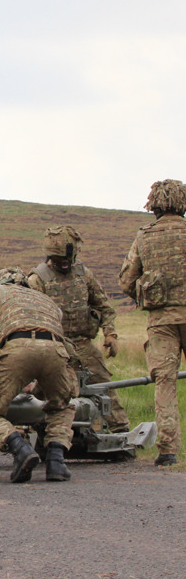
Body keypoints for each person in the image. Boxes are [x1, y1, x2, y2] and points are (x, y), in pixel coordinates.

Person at [0, 267, 76, 483]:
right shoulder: (45, 300)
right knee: (61, 407)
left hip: (17, 349)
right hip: (56, 351)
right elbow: (59, 347)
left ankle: (20, 448)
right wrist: (38, 387)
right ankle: (56, 461)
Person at [27, 226, 129, 433]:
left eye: (69, 259)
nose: (65, 263)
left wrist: (110, 334)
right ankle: (36, 430)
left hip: (84, 347)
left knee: (103, 388)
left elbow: (103, 306)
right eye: (60, 260)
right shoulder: (37, 280)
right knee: (43, 395)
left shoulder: (84, 275)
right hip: (54, 349)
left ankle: (120, 432)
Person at [118, 178, 186, 467]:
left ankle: (168, 451)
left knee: (165, 384)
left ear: (154, 204)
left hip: (161, 322)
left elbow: (126, 281)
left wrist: (147, 294)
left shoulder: (144, 237)